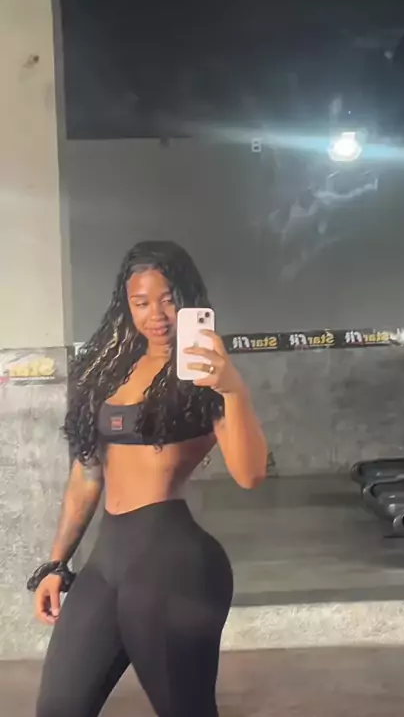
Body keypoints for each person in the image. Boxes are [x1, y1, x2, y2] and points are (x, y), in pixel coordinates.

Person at [31, 240, 268, 717]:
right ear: (126, 305)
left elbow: (250, 474)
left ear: (188, 299)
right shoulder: (108, 370)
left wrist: (232, 389)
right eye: (141, 303)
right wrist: (56, 563)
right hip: (105, 562)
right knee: (58, 708)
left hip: (174, 564)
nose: (156, 315)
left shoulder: (205, 374)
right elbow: (86, 475)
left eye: (168, 299)